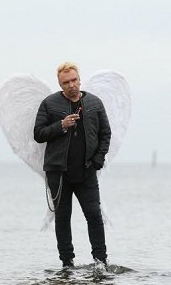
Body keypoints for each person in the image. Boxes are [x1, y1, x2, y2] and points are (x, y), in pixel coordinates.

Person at [34, 61, 111, 269]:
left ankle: (100, 261)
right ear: (60, 84)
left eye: (74, 80)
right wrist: (61, 125)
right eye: (66, 82)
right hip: (58, 173)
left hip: (86, 171)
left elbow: (106, 133)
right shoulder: (49, 104)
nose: (71, 85)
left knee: (94, 215)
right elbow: (38, 134)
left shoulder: (94, 103)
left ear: (79, 79)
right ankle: (67, 263)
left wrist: (98, 159)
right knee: (62, 217)